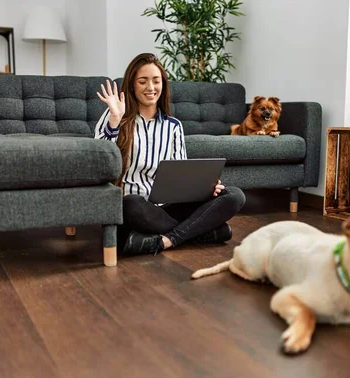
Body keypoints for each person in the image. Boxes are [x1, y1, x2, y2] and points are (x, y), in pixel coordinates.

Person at [94, 53, 246, 256]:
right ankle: (203, 232)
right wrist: (114, 120)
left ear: (163, 85)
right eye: (143, 81)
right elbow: (98, 162)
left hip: (165, 209)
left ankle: (165, 240)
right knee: (131, 203)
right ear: (132, 85)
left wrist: (206, 188)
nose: (150, 88)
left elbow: (180, 175)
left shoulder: (173, 126)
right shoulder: (116, 116)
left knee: (234, 195)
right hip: (135, 210)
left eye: (156, 81)